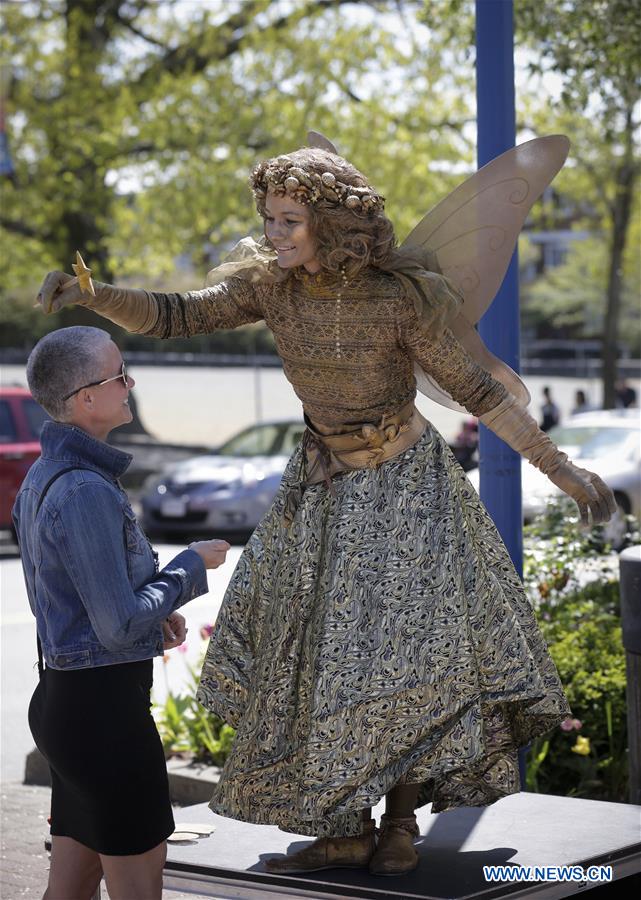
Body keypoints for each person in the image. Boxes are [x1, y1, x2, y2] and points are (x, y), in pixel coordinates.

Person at [36, 143, 616, 877]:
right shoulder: (271, 290)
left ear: (332, 223)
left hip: (408, 494)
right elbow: (178, 315)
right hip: (318, 491)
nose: (274, 234)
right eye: (269, 219)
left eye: (288, 220)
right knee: (312, 661)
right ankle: (343, 825)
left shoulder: (397, 297)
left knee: (408, 658)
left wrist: (561, 471)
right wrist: (95, 294)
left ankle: (401, 822)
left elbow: (477, 393)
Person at [12, 326, 230, 900]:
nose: (130, 383)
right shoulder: (84, 488)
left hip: (73, 707)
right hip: (102, 719)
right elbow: (114, 624)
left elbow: (85, 605)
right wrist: (187, 568)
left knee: (72, 887)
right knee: (138, 885)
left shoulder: (46, 476)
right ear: (86, 398)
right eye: (119, 375)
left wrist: (150, 616)